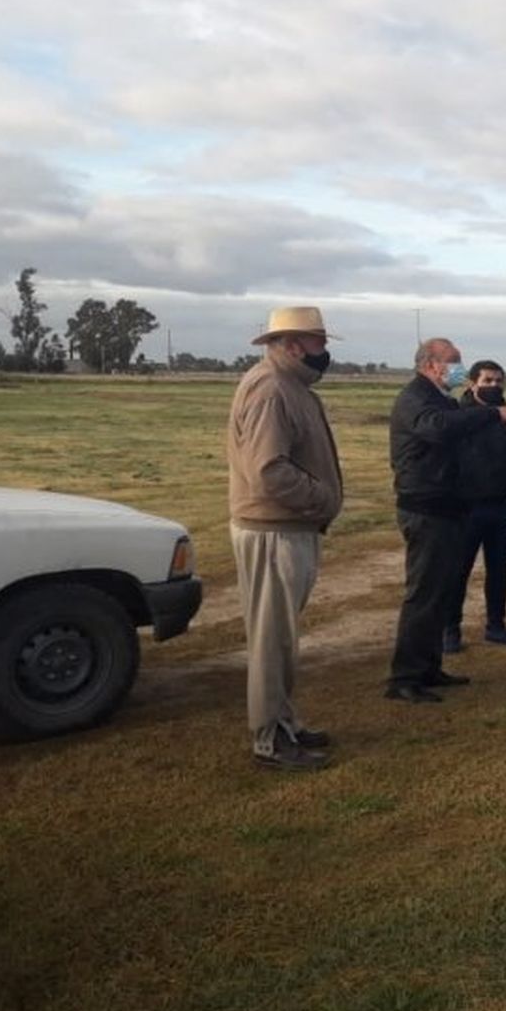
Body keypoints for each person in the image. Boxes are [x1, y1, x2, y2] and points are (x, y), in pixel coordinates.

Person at [226, 305, 344, 770]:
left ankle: (285, 722)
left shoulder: (291, 385)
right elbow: (269, 472)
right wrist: (322, 498)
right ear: (293, 344)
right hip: (273, 530)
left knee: (281, 638)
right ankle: (270, 740)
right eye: (318, 342)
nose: (324, 351)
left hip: (288, 527)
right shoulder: (272, 389)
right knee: (271, 640)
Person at [388, 338, 506, 703]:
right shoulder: (416, 398)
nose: (459, 368)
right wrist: (494, 414)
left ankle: (428, 667)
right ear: (432, 364)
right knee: (423, 594)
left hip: (448, 508)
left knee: (440, 593)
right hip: (425, 508)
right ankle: (405, 677)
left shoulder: (439, 399)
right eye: (454, 361)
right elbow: (438, 428)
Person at [444, 359, 506, 651]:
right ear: (473, 384)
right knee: (458, 571)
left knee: (499, 571)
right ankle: (450, 630)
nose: (494, 386)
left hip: (504, 508)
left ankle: (496, 626)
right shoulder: (457, 417)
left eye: (499, 381)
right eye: (487, 381)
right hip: (465, 509)